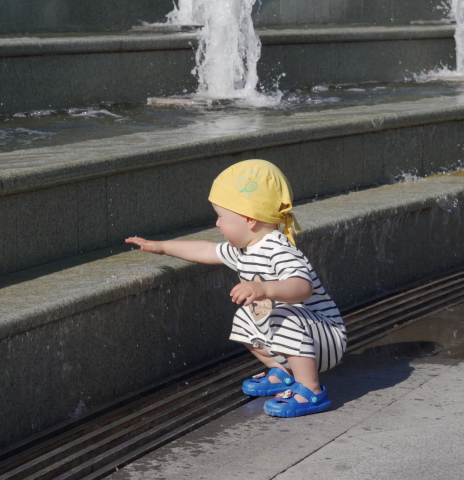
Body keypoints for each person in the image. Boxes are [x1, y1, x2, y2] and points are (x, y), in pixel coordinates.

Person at [125, 159, 347, 417]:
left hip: (325, 337)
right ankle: (285, 371)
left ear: (249, 220)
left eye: (221, 217)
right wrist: (162, 247)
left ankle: (312, 388)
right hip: (300, 339)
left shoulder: (280, 249)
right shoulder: (245, 250)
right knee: (246, 315)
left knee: (279, 313)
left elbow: (302, 288)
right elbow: (206, 249)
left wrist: (264, 288)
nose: (217, 224)